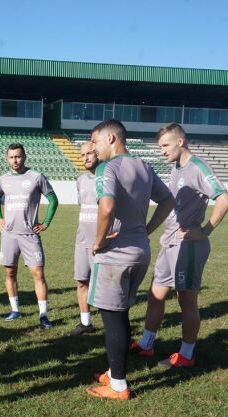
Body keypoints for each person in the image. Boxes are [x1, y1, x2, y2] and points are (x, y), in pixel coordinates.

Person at [85, 119, 174, 401]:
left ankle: (118, 386)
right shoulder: (144, 166)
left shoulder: (107, 168)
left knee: (113, 319)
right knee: (120, 313)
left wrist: (98, 242)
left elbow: (107, 206)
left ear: (111, 138)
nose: (94, 149)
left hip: (115, 256)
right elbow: (168, 201)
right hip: (140, 252)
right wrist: (146, 229)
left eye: (96, 142)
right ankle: (114, 374)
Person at [132, 123, 228, 367]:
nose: (162, 151)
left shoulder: (197, 166)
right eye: (160, 147)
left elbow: (225, 199)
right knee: (156, 294)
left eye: (165, 145)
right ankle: (146, 344)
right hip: (170, 243)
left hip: (187, 246)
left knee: (186, 300)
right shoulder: (177, 167)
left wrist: (205, 231)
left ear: (180, 141)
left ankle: (186, 355)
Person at [0, 144, 59, 329]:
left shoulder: (36, 177)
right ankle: (15, 310)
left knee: (38, 274)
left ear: (24, 157)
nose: (15, 160)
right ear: (7, 159)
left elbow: (53, 199)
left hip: (30, 235)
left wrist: (45, 223)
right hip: (9, 235)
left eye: (18, 157)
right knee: (10, 272)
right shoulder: (3, 179)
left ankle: (43, 315)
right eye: (11, 157)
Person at [68, 141, 100, 336]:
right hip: (82, 241)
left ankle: (113, 325)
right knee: (81, 282)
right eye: (82, 155)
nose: (86, 157)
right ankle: (85, 322)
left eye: (89, 153)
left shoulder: (108, 178)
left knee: (105, 288)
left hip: (103, 242)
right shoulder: (80, 180)